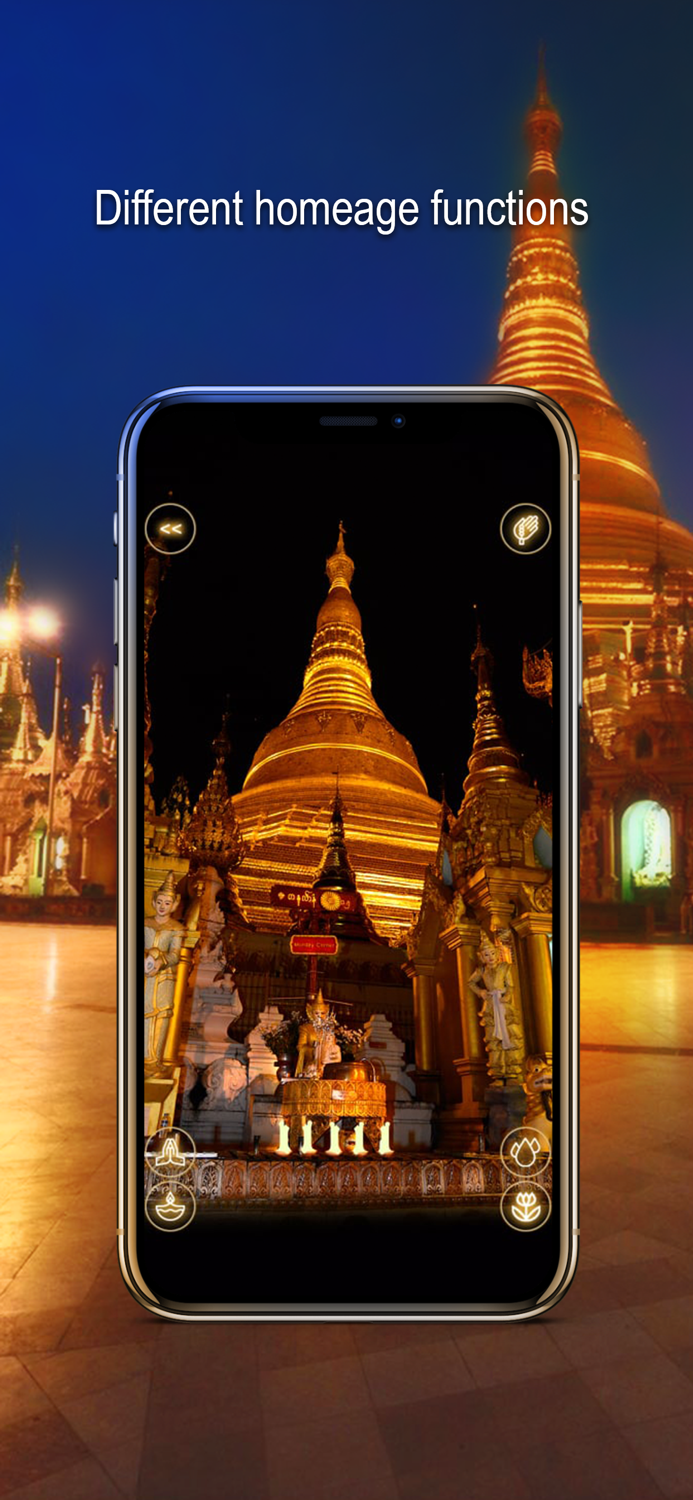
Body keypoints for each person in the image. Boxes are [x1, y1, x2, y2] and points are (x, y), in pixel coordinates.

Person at [144, 871, 185, 1073]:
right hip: (144, 976)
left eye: (167, 903)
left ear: (174, 905)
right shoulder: (144, 923)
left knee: (161, 1015)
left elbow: (176, 955)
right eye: (159, 902)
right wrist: (148, 956)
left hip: (164, 978)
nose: (162, 906)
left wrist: (161, 960)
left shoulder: (176, 928)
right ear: (154, 901)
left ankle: (154, 1059)